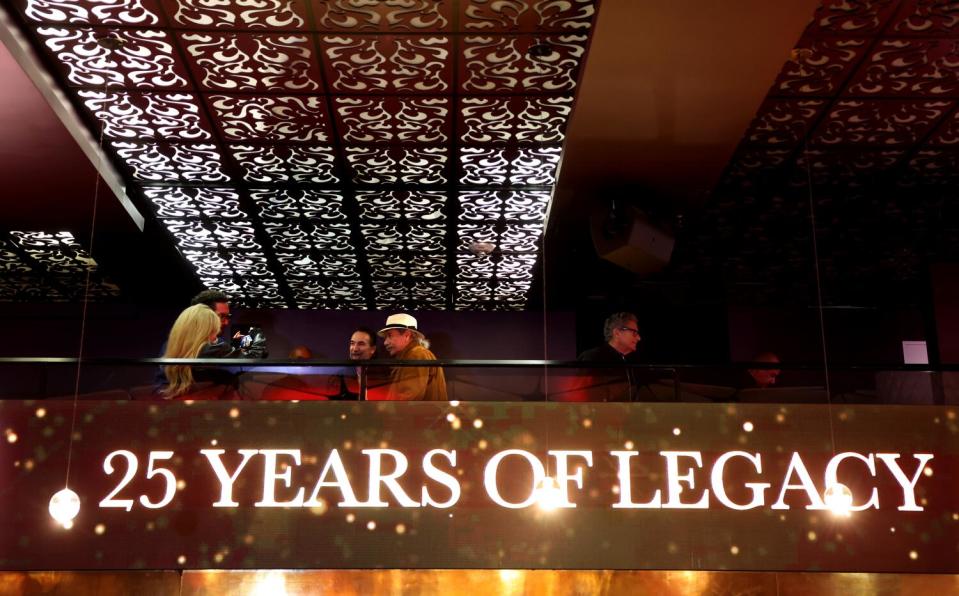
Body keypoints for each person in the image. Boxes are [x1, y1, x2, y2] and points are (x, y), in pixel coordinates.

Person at [161, 304, 237, 399]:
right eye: (212, 332)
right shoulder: (217, 374)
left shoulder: (168, 362)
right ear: (198, 334)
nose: (215, 338)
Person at [570, 312, 644, 401]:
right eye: (634, 332)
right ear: (617, 333)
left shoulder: (628, 362)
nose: (639, 338)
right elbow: (576, 395)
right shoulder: (592, 357)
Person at [377, 314, 447, 401]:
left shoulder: (417, 354)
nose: (385, 342)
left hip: (421, 414)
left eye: (389, 335)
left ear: (407, 335)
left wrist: (385, 411)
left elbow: (409, 398)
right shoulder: (412, 355)